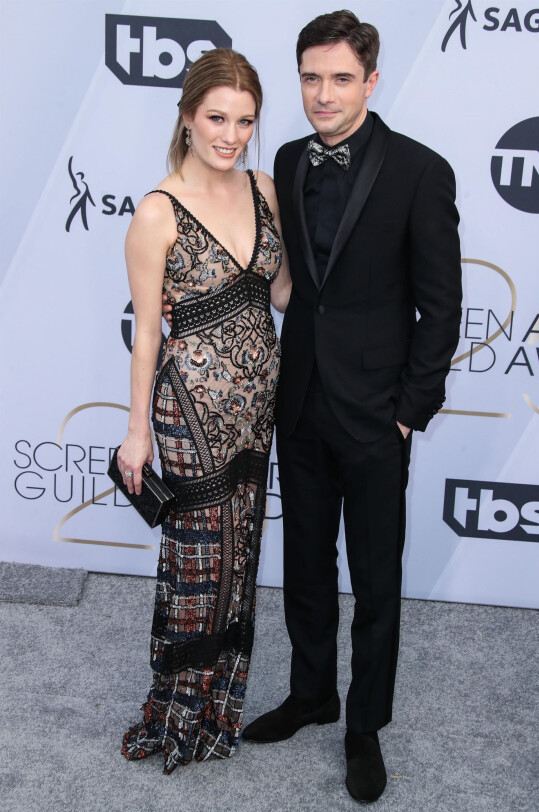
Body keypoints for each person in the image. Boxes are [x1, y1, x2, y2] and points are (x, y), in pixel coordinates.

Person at [239, 11, 463, 804]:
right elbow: (300, 287)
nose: (322, 95)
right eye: (309, 78)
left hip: (376, 414)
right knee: (303, 562)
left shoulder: (420, 171)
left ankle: (363, 723)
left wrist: (408, 412)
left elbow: (442, 309)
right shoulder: (289, 158)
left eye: (339, 79)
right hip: (298, 401)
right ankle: (310, 694)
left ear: (371, 80)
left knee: (374, 575)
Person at [116, 48, 290, 774]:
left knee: (241, 556)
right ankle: (177, 711)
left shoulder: (264, 188)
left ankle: (219, 707)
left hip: (257, 406)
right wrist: (135, 434)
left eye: (245, 120)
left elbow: (280, 294)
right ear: (187, 117)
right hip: (188, 411)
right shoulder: (157, 212)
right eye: (217, 118)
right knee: (200, 564)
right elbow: (147, 331)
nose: (231, 134)